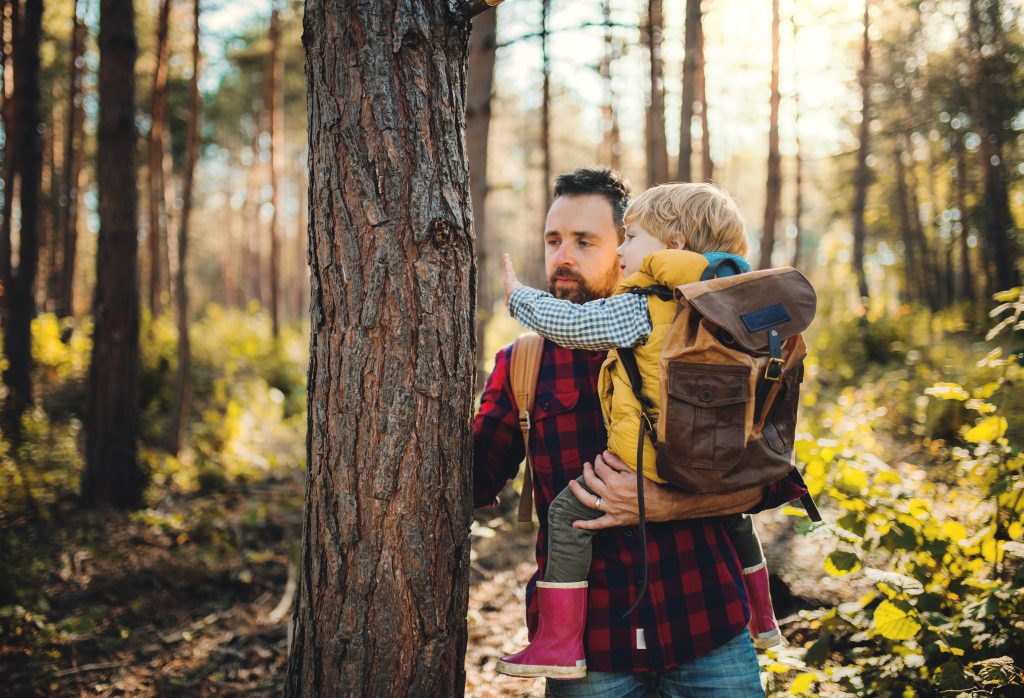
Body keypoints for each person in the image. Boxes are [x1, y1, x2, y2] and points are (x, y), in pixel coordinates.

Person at [473, 168, 806, 696]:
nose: (563, 256)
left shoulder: (709, 341)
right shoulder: (525, 363)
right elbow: (469, 480)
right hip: (591, 656)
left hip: (709, 632)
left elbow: (777, 479)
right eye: (554, 240)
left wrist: (667, 503)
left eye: (587, 242)